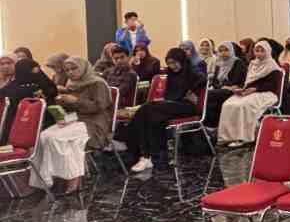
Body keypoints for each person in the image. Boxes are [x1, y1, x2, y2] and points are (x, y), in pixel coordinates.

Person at [34, 57, 115, 193]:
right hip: (75, 120)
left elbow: (100, 107)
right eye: (67, 70)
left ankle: (61, 177)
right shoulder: (72, 84)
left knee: (57, 138)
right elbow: (71, 107)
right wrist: (59, 99)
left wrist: (76, 101)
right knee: (44, 136)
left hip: (94, 123)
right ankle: (52, 176)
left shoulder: (98, 83)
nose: (70, 72)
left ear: (83, 67)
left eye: (74, 68)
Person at [121, 48, 206, 172]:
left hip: (187, 107)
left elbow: (202, 80)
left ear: (182, 60)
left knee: (147, 109)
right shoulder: (171, 74)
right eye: (169, 63)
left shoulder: (192, 72)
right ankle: (151, 155)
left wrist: (192, 91)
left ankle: (143, 153)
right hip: (172, 105)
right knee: (151, 115)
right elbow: (170, 94)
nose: (172, 66)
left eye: (175, 62)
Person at [217, 41, 283, 148]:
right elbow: (248, 82)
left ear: (268, 51)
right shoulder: (253, 64)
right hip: (250, 92)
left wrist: (255, 89)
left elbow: (273, 85)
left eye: (262, 51)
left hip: (266, 93)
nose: (259, 53)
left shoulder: (272, 65)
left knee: (242, 106)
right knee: (228, 104)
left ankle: (243, 137)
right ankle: (227, 137)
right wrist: (242, 89)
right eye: (257, 51)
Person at [0, 58, 58, 144]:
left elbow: (52, 91)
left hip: (34, 130)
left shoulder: (9, 88)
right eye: (34, 70)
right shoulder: (12, 90)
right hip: (24, 130)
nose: (37, 72)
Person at [203, 42, 248, 128]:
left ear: (231, 50)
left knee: (207, 95)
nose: (223, 53)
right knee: (209, 100)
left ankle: (212, 125)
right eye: (220, 51)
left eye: (226, 50)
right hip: (222, 89)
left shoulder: (238, 63)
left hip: (234, 90)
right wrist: (222, 86)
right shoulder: (219, 64)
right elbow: (214, 82)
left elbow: (236, 81)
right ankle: (211, 125)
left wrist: (224, 86)